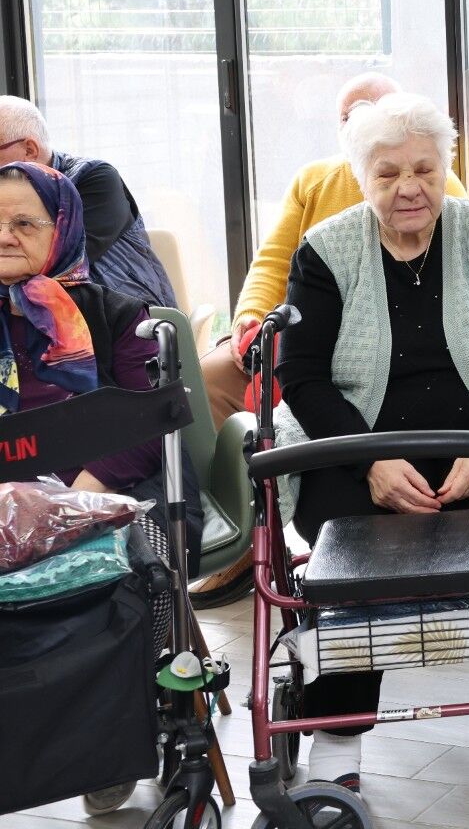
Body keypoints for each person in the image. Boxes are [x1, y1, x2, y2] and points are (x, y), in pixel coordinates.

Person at [274, 93, 469, 804]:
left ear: (445, 168)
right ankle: (338, 738)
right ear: (361, 177)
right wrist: (369, 460)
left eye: (423, 169)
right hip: (362, 445)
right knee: (344, 547)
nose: (409, 188)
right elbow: (300, 376)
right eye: (388, 173)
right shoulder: (326, 249)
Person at [0, 160, 201, 816]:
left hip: (112, 495)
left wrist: (69, 506)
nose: (4, 236)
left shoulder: (116, 314)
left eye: (23, 222)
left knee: (146, 558)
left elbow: (147, 426)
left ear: (62, 228)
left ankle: (110, 733)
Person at [200, 72, 469, 429]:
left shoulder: (438, 185)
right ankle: (242, 463)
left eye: (376, 111)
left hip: (391, 341)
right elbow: (273, 262)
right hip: (305, 331)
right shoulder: (312, 181)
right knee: (210, 376)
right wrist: (251, 317)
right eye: (348, 116)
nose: (361, 123)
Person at [0, 96, 175, 310]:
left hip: (127, 318)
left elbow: (60, 258)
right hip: (39, 315)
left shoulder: (94, 178)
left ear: (30, 150)